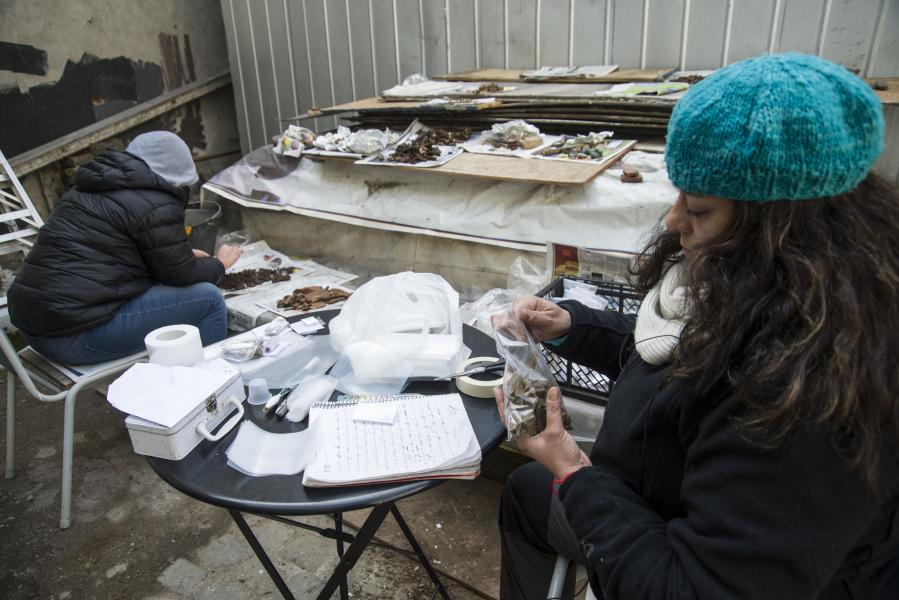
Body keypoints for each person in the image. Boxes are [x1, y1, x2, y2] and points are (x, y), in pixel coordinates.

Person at [496, 54, 899, 599]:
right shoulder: (763, 287)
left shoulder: (810, 390)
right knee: (525, 489)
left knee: (537, 488)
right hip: (653, 495)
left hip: (678, 550)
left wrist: (573, 470)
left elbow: (694, 587)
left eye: (701, 209)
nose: (674, 219)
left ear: (783, 227)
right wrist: (573, 326)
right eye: (680, 194)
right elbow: (681, 362)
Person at [8, 131, 242, 365]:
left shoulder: (86, 189)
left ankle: (174, 378)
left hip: (34, 328)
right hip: (74, 337)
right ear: (179, 175)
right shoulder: (156, 200)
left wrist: (181, 256)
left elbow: (108, 255)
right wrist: (219, 264)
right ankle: (209, 388)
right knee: (209, 300)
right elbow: (179, 274)